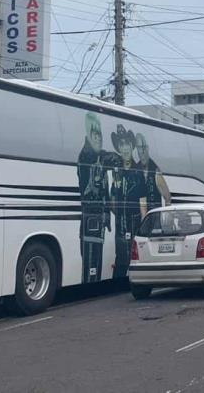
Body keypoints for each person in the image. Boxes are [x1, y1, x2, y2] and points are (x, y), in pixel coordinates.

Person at [77, 113, 115, 283]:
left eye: (100, 135)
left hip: (97, 218)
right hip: (91, 218)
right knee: (91, 259)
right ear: (88, 137)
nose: (98, 139)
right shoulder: (87, 156)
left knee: (96, 261)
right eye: (95, 135)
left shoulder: (98, 156)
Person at [109, 124, 146, 279]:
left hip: (134, 224)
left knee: (135, 259)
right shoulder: (116, 172)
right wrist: (118, 214)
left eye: (127, 144)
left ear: (131, 147)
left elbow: (142, 203)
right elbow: (112, 202)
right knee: (120, 261)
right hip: (120, 226)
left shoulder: (138, 172)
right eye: (121, 145)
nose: (124, 148)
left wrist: (143, 226)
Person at [135, 133, 171, 212]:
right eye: (139, 148)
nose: (142, 152)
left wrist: (167, 216)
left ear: (147, 148)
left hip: (154, 217)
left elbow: (167, 197)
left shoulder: (155, 171)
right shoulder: (135, 170)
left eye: (143, 147)